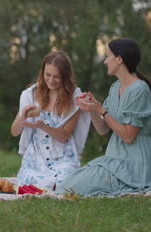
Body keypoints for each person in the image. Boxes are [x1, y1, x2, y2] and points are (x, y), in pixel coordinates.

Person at [55, 38, 151, 196]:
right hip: (114, 160)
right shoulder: (115, 87)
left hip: (135, 165)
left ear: (119, 59)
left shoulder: (139, 90)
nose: (105, 61)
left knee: (69, 188)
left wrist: (102, 110)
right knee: (67, 183)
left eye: (108, 56)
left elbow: (129, 137)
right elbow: (103, 129)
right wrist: (92, 108)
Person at [11, 50, 91, 190]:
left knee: (63, 184)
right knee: (35, 184)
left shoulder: (73, 97)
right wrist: (23, 116)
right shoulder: (31, 95)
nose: (51, 80)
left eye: (57, 77)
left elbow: (64, 136)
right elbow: (14, 132)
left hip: (62, 156)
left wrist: (43, 126)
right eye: (47, 75)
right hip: (36, 157)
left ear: (65, 77)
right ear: (42, 73)